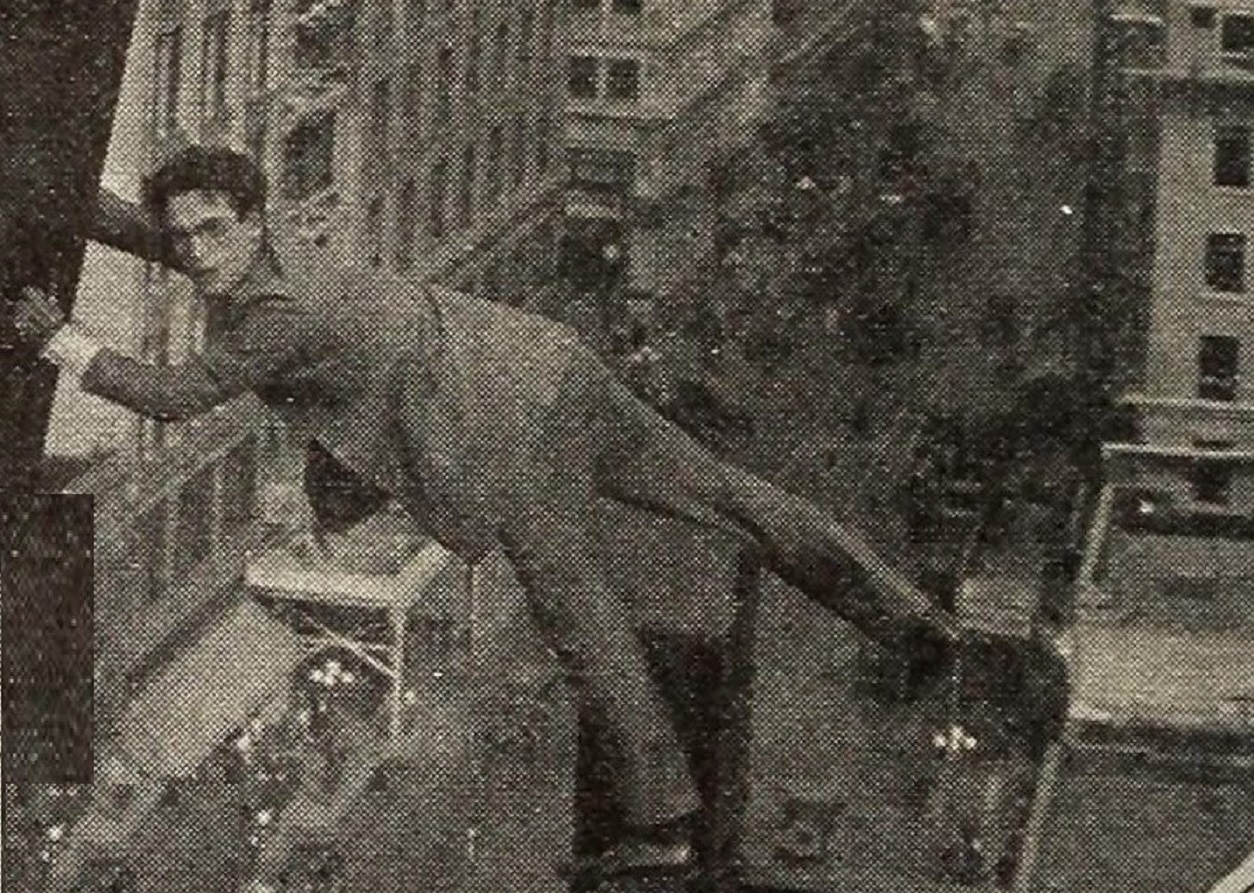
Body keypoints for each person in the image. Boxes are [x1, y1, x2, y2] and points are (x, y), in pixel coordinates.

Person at [11, 147, 1066, 893]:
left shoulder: (276, 315)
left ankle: (662, 820)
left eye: (213, 229)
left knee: (580, 620)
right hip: (542, 365)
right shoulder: (259, 250)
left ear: (252, 221)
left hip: (499, 430)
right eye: (185, 230)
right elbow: (157, 232)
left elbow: (176, 394)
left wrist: (58, 337)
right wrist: (67, 201)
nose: (196, 249)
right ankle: (913, 625)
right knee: (734, 498)